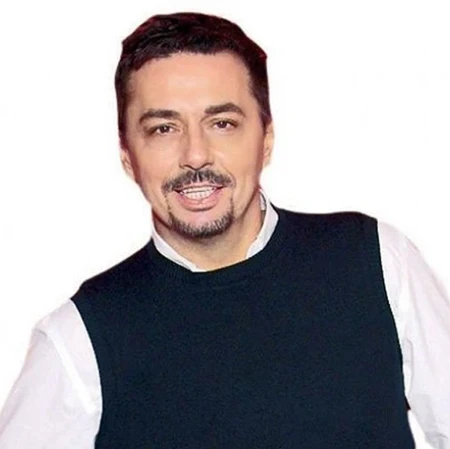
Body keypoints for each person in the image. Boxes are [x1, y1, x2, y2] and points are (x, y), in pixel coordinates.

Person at [0, 11, 449, 449]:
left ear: (266, 140)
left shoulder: (376, 262)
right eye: (163, 128)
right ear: (127, 156)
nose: (195, 155)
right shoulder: (79, 338)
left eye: (222, 124)